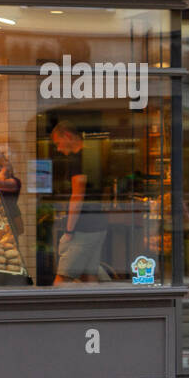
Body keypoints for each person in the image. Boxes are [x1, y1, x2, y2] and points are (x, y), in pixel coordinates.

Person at [50, 121, 108, 284]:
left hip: (83, 229)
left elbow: (78, 196)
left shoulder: (78, 160)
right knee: (89, 276)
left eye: (58, 143)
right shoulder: (93, 157)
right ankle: (95, 309)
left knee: (62, 278)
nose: (59, 149)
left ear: (68, 136)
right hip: (98, 225)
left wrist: (69, 231)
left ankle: (54, 309)